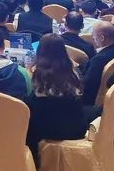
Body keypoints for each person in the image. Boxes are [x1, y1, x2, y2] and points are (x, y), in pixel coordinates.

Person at [25, 34, 92, 163]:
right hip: (76, 127)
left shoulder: (36, 73)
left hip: (49, 130)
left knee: (28, 105)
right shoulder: (73, 71)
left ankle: (32, 161)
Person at [79, 21, 114, 106]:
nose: (92, 38)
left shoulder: (98, 60)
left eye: (94, 35)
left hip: (91, 102)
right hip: (113, 97)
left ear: (102, 38)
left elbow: (87, 86)